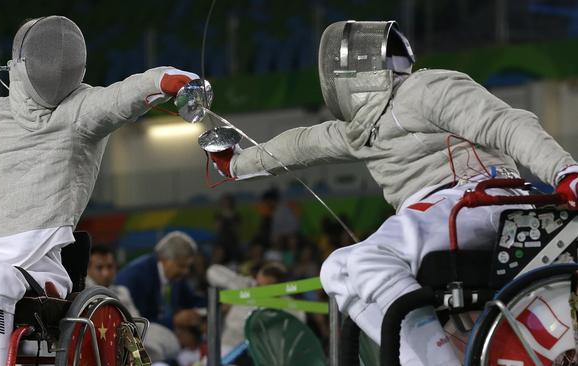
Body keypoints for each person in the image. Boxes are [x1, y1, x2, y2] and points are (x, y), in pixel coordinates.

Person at [207, 20, 578, 365]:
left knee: (369, 260)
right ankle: (443, 352)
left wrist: (564, 171)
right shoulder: (359, 129)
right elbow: (300, 145)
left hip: (481, 197)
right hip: (441, 212)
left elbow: (506, 123)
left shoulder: (425, 88)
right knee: (335, 270)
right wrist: (235, 164)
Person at [0, 16, 199, 366]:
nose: (54, 72)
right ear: (23, 65)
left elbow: (121, 97)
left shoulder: (78, 111)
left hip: (40, 261)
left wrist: (161, 80)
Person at [206, 261, 306, 356]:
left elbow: (299, 325)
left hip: (261, 352)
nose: (261, 289)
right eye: (259, 284)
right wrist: (237, 281)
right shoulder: (245, 285)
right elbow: (212, 271)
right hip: (230, 344)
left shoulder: (287, 304)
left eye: (268, 286)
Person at [115, 231, 204, 329]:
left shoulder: (176, 277)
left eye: (188, 266)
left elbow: (196, 300)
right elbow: (137, 322)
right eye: (181, 266)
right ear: (164, 259)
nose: (186, 271)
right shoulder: (137, 277)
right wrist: (174, 321)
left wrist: (223, 297)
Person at [85, 244, 140, 317]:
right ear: (88, 269)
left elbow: (136, 323)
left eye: (109, 266)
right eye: (99, 267)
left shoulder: (123, 292)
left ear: (115, 267)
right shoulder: (82, 294)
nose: (105, 273)